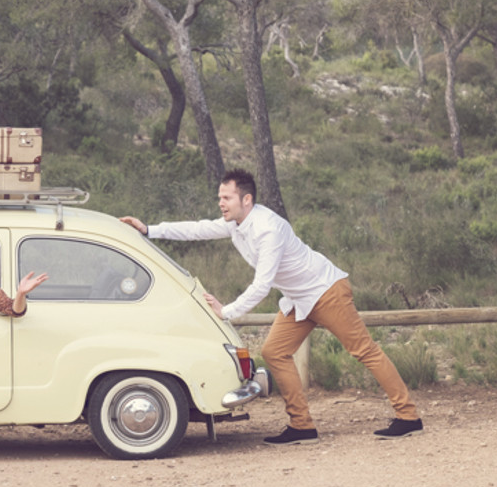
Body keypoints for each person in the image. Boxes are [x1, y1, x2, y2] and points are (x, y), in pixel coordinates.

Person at [120, 169, 422, 444]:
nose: (221, 203)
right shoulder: (236, 224)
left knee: (364, 351)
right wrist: (149, 230)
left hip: (326, 291)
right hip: (297, 299)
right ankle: (302, 426)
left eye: (226, 198)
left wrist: (227, 312)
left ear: (246, 199)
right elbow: (198, 229)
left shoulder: (268, 228)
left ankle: (409, 417)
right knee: (274, 352)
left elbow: (262, 285)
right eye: (219, 198)